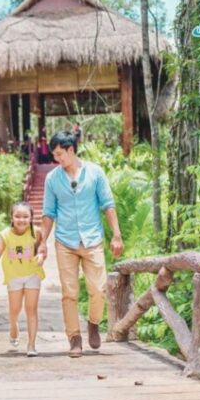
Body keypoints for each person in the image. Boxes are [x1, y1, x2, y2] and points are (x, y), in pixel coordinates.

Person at [38, 131, 124, 358]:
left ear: (70, 150)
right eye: (54, 155)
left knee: (99, 289)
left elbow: (108, 205)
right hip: (65, 241)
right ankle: (74, 338)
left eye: (59, 154)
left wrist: (116, 235)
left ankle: (93, 323)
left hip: (92, 239)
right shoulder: (52, 179)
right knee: (69, 293)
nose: (57, 159)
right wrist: (42, 243)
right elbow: (48, 213)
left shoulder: (95, 173)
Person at [0, 202, 46, 357]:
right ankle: (13, 327)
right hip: (14, 276)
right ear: (12, 217)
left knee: (31, 309)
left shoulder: (37, 232)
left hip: (32, 274)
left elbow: (42, 249)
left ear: (31, 218)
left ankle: (31, 345)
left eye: (26, 216)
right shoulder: (5, 234)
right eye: (18, 216)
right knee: (15, 310)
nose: (22, 220)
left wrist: (41, 256)